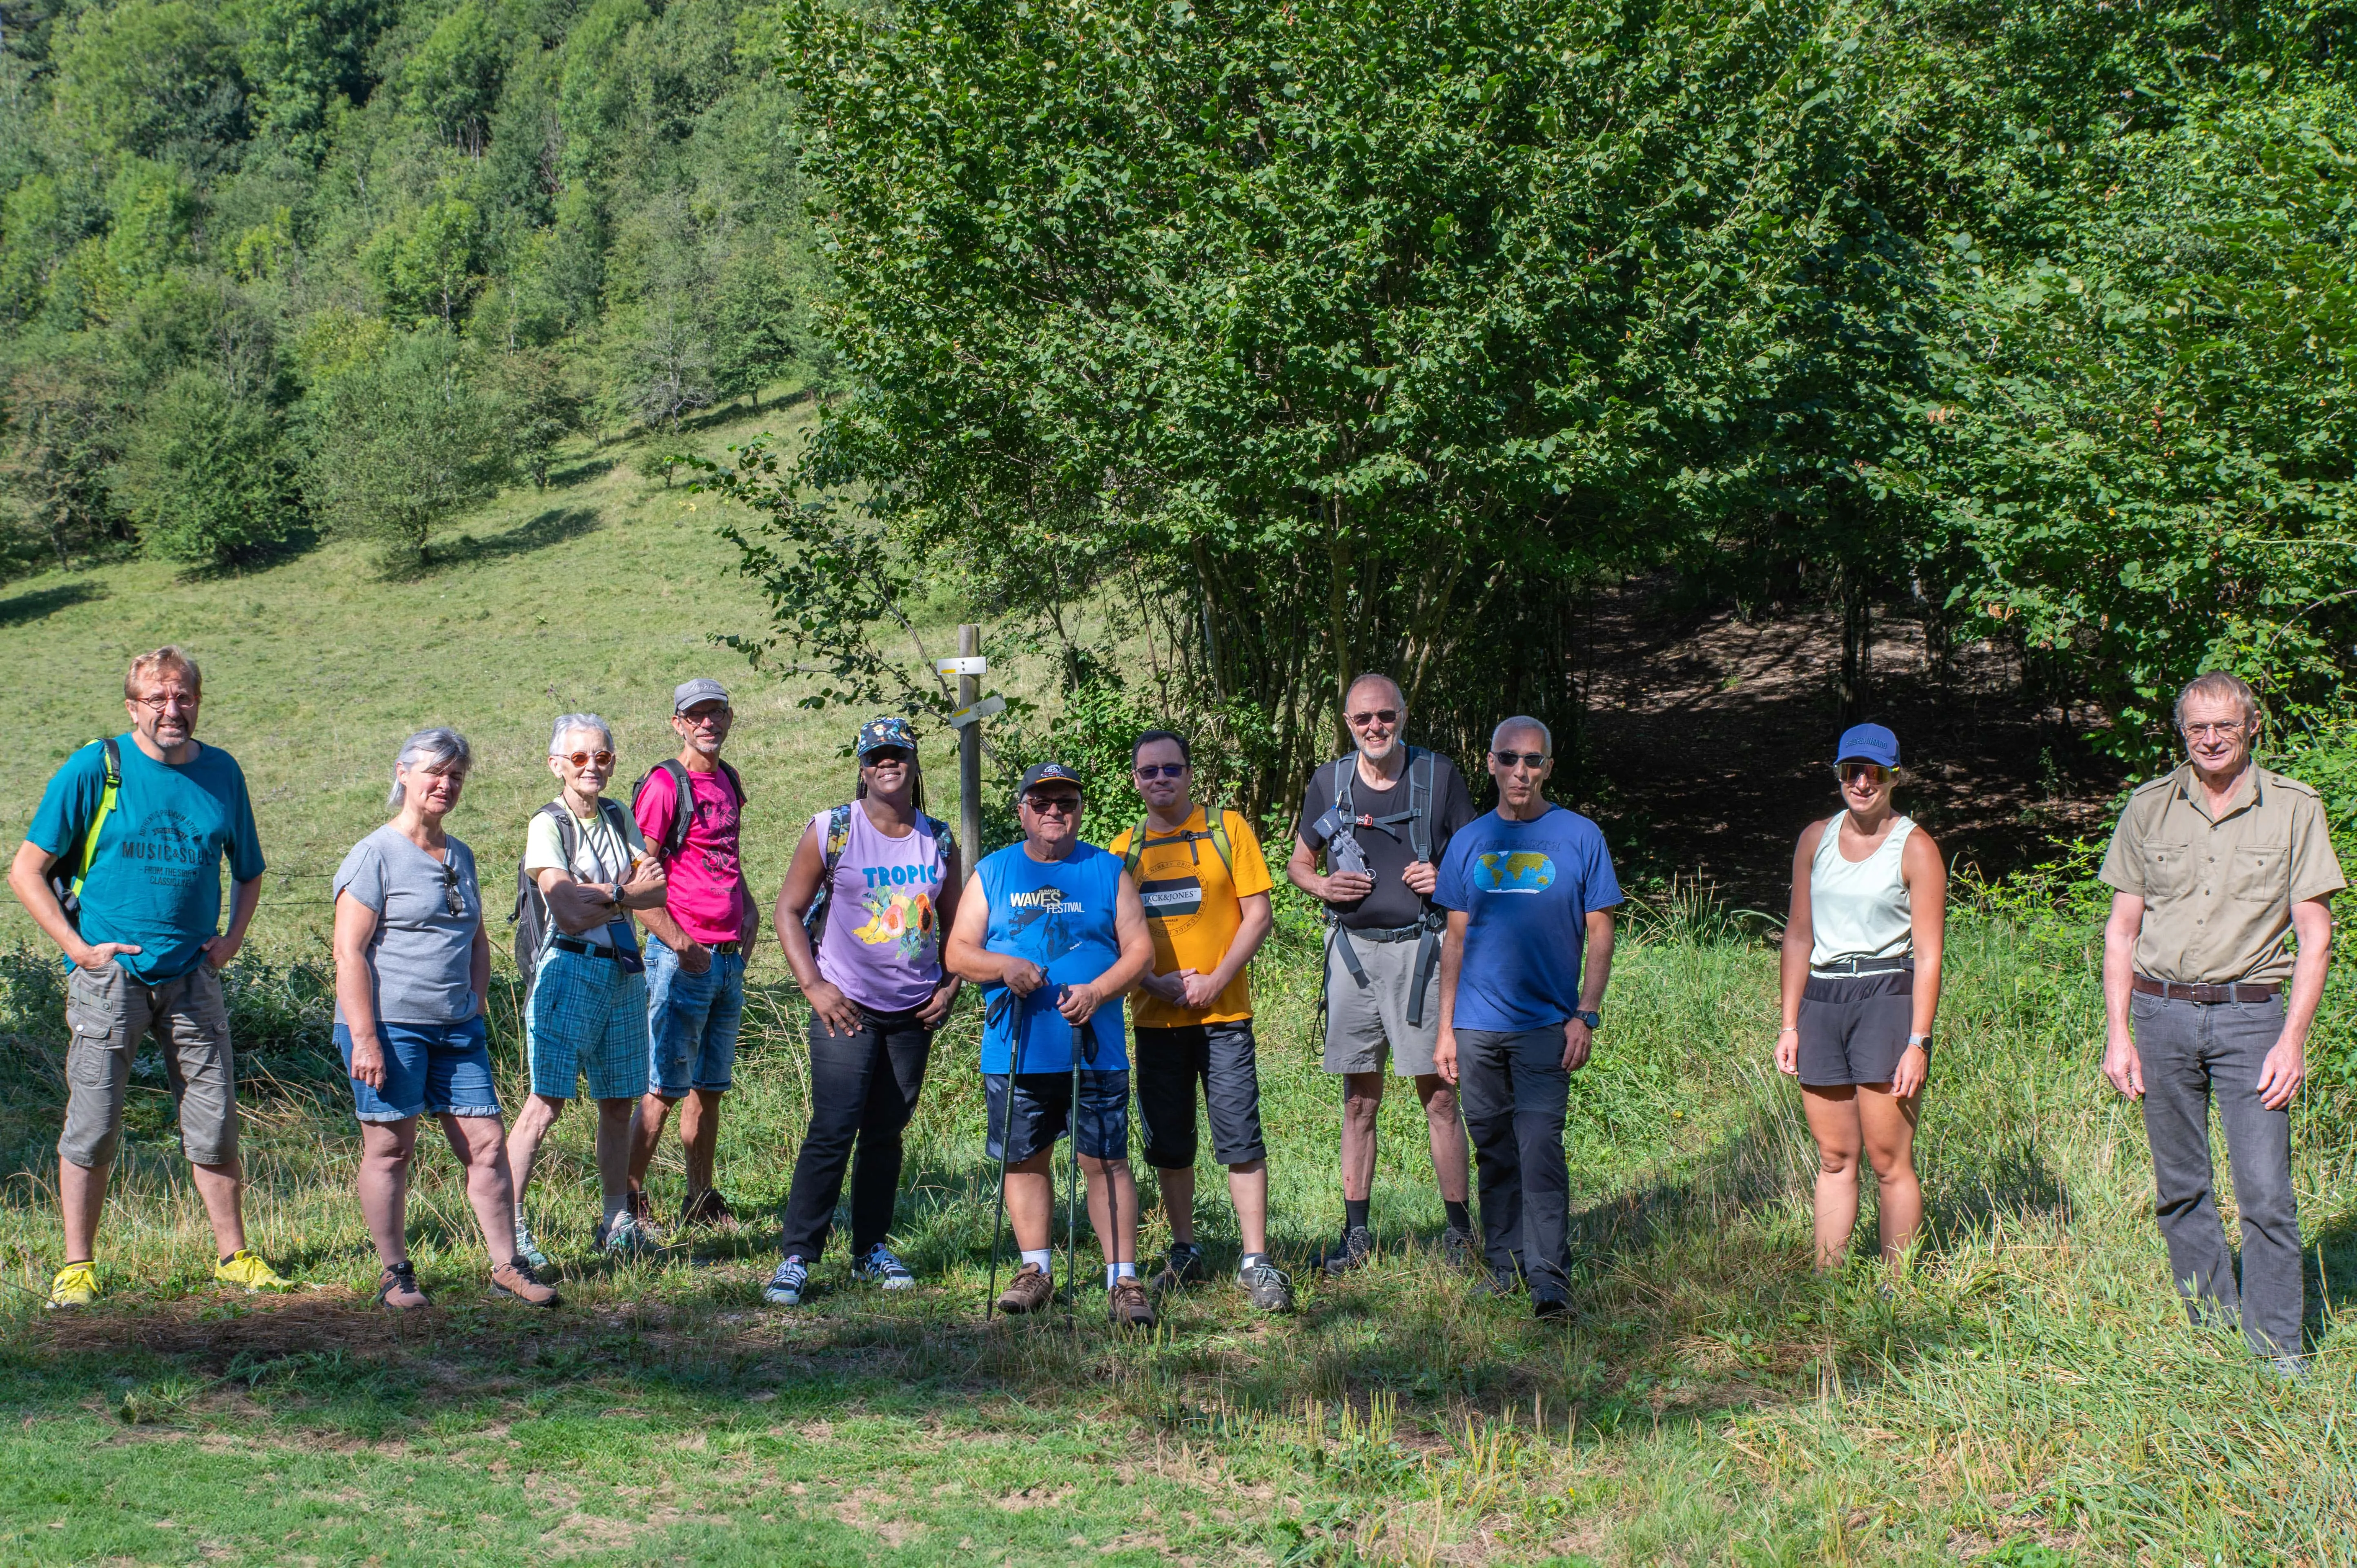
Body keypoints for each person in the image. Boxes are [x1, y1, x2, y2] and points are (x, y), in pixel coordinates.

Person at [9, 646, 293, 1309]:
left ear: (198, 700)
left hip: (194, 974)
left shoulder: (222, 772)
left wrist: (231, 941)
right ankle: (78, 1266)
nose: (174, 709)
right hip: (112, 977)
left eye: (185, 696)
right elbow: (26, 870)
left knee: (216, 1118)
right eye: (158, 699)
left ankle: (235, 1256)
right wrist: (78, 949)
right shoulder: (97, 767)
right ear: (133, 706)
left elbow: (249, 869)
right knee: (96, 1120)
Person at [2099, 671, 2343, 1376]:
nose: (2210, 740)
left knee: (2266, 1191)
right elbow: (2121, 931)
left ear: (2252, 727)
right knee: (2180, 1184)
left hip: (2254, 1020)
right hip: (2160, 1013)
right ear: (2183, 733)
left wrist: (2293, 1041)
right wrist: (2119, 1032)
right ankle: (2209, 1324)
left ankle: (2277, 1349)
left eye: (2225, 727)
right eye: (2197, 728)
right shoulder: (2149, 808)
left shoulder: (2295, 809)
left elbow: (2315, 937)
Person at [332, 729, 557, 1310]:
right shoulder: (374, 855)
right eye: (434, 772)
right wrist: (365, 1038)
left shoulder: (460, 854)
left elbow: (476, 936)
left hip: (456, 1026)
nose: (445, 784)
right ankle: (395, 1273)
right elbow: (349, 953)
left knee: (486, 1144)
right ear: (403, 773)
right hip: (389, 1026)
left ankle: (507, 1266)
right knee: (392, 1148)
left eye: (456, 775)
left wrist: (477, 999)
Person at [944, 762, 1156, 1325]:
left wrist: (1100, 990)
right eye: (1042, 802)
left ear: (1080, 809)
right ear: (1023, 811)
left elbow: (1140, 952)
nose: (1055, 810)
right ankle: (1035, 1270)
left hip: (1095, 1046)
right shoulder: (994, 872)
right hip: (1016, 1049)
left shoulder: (1108, 872)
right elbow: (959, 952)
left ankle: (1124, 1280)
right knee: (1024, 1158)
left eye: (1065, 801)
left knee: (1106, 1160)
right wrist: (1005, 966)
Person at [765, 716, 962, 1306]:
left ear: (913, 763)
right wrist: (814, 987)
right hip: (844, 1006)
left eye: (898, 753)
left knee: (885, 1133)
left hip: (913, 1010)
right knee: (833, 1128)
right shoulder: (834, 829)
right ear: (862, 767)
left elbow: (958, 925)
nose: (888, 763)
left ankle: (870, 1249)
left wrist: (950, 986)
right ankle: (798, 1256)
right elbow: (788, 911)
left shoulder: (939, 838)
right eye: (876, 755)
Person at [1285, 672, 1478, 1274]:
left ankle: (1459, 1233)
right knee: (1358, 1101)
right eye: (1364, 719)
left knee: (1440, 1097)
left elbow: (1478, 862)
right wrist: (1321, 884)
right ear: (1347, 723)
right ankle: (1357, 1235)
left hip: (1423, 953)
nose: (1376, 728)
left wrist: (1444, 879)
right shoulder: (1329, 782)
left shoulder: (1438, 776)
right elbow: (1298, 862)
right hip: (1351, 955)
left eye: (1386, 717)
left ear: (1402, 716)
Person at [1432, 717, 1622, 1316]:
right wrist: (1445, 1030)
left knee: (1540, 1144)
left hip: (1547, 1025)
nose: (1521, 771)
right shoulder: (1469, 842)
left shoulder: (1580, 836)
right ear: (1490, 763)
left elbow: (1601, 930)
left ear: (1548, 767)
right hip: (1477, 1027)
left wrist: (1585, 1014)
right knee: (1493, 1146)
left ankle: (1549, 1278)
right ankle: (1503, 1265)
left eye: (1533, 761)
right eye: (1510, 759)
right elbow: (1454, 942)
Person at [1107, 730, 1292, 1312]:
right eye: (1149, 772)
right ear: (1135, 781)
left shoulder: (1228, 828)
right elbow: (1111, 937)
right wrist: (1149, 981)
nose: (1161, 779)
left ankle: (1255, 1260)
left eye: (1172, 769)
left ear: (1190, 774)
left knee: (1240, 1134)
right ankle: (1184, 1249)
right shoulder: (1122, 850)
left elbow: (1257, 915)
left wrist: (1215, 979)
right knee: (1169, 1141)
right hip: (1156, 1018)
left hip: (1224, 1013)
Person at [1773, 723, 1946, 1271]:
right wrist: (1789, 1024)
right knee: (1834, 1156)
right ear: (1839, 775)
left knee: (1889, 1159)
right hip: (1822, 1000)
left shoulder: (1916, 847)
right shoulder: (1814, 839)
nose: (1863, 782)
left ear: (1895, 777)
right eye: (1853, 771)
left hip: (1886, 995)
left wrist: (1918, 1040)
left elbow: (1930, 956)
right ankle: (1830, 1282)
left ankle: (1898, 1285)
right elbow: (1799, 934)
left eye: (1875, 772)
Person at [506, 715, 670, 1266]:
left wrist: (605, 894)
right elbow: (570, 912)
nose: (592, 767)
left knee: (619, 1102)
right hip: (567, 970)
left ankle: (616, 1222)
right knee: (545, 1104)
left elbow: (658, 891)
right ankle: (510, 1230)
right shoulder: (547, 825)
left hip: (622, 970)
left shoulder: (618, 814)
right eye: (579, 758)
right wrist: (622, 891)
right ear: (557, 765)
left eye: (601, 756)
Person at [625, 678, 757, 1232]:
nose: (708, 724)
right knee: (662, 1087)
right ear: (678, 723)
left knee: (710, 1088)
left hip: (726, 959)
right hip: (681, 959)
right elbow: (635, 882)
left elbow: (728, 858)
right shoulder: (663, 786)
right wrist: (680, 944)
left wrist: (747, 916)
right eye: (695, 716)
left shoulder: (727, 780)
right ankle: (628, 1204)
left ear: (729, 719)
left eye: (716, 713)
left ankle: (700, 1199)